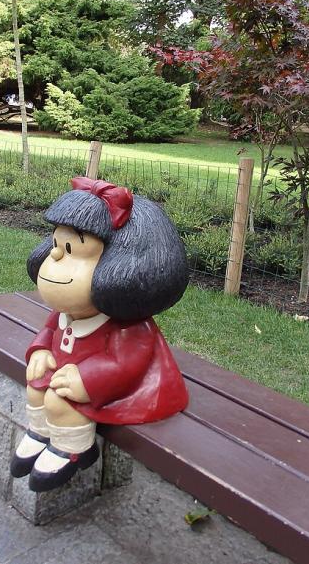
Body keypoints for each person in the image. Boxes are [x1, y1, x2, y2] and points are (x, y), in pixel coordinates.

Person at [13, 177, 189, 492]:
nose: (54, 257)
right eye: (56, 245)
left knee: (60, 401)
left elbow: (127, 364)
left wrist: (88, 379)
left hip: (115, 386)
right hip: (64, 370)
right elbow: (50, 329)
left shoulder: (127, 326)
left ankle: (73, 448)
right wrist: (40, 350)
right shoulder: (72, 310)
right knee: (37, 389)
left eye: (70, 249)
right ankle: (41, 432)